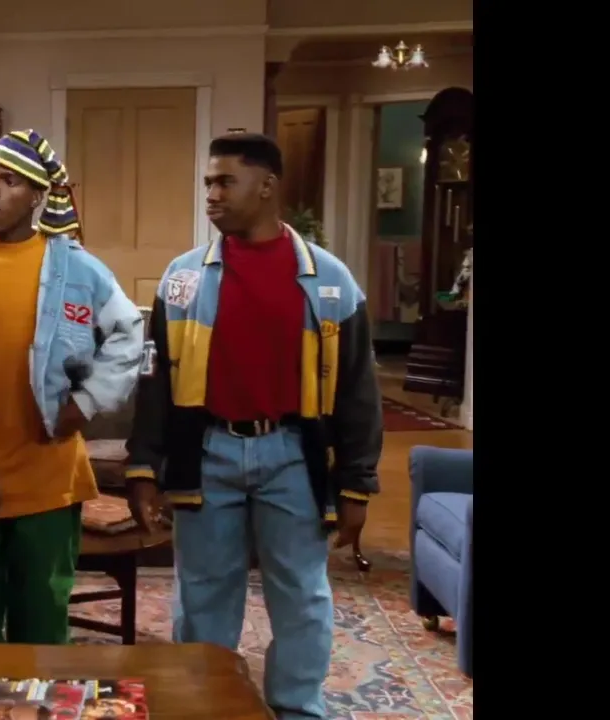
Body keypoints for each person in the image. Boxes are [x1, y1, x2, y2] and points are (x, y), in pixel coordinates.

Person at [124, 133, 383, 719]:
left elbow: (358, 392)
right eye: (208, 183)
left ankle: (297, 709)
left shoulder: (331, 280)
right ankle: (204, 707)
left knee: (302, 595)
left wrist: (357, 482)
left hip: (293, 457)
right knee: (203, 595)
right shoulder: (182, 279)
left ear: (266, 187)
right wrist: (143, 466)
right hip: (206, 454)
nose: (211, 195)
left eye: (225, 182)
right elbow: (154, 381)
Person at [0, 130, 144, 644]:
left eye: (9, 181)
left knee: (42, 624)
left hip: (47, 478)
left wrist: (86, 401)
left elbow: (128, 334)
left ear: (38, 195)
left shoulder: (75, 268)